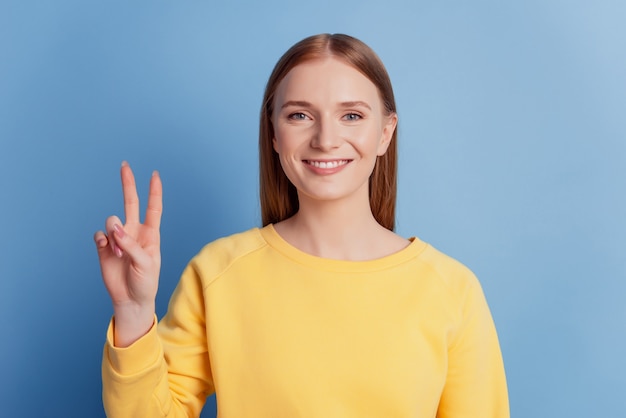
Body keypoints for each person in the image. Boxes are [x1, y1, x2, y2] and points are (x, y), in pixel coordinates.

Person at [95, 33, 509, 417]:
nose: (326, 139)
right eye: (299, 116)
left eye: (351, 115)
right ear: (273, 133)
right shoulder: (218, 273)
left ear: (385, 133)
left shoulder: (453, 290)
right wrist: (133, 313)